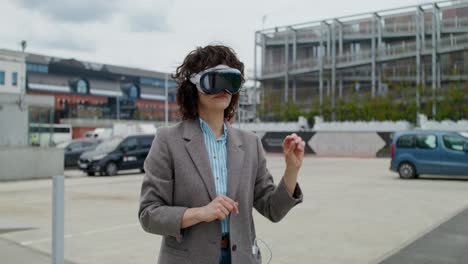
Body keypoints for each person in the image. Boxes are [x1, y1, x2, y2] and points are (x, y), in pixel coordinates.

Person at [138, 44, 305, 264]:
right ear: (194, 86)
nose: (224, 89)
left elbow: (273, 210)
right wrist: (200, 213)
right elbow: (149, 214)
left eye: (231, 82)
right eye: (215, 81)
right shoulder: (168, 140)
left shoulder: (250, 143)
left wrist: (291, 170)